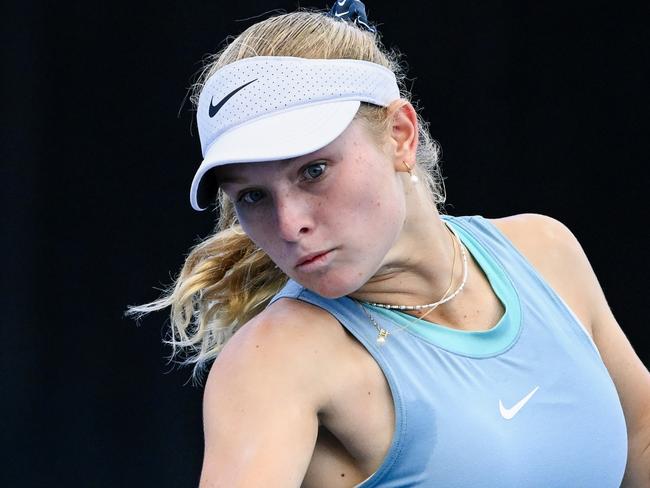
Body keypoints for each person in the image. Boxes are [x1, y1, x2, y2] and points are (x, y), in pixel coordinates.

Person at [129, 7, 650, 487]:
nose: (288, 225)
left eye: (313, 170)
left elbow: (640, 438)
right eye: (254, 196)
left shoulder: (544, 249)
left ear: (400, 135)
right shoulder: (274, 362)